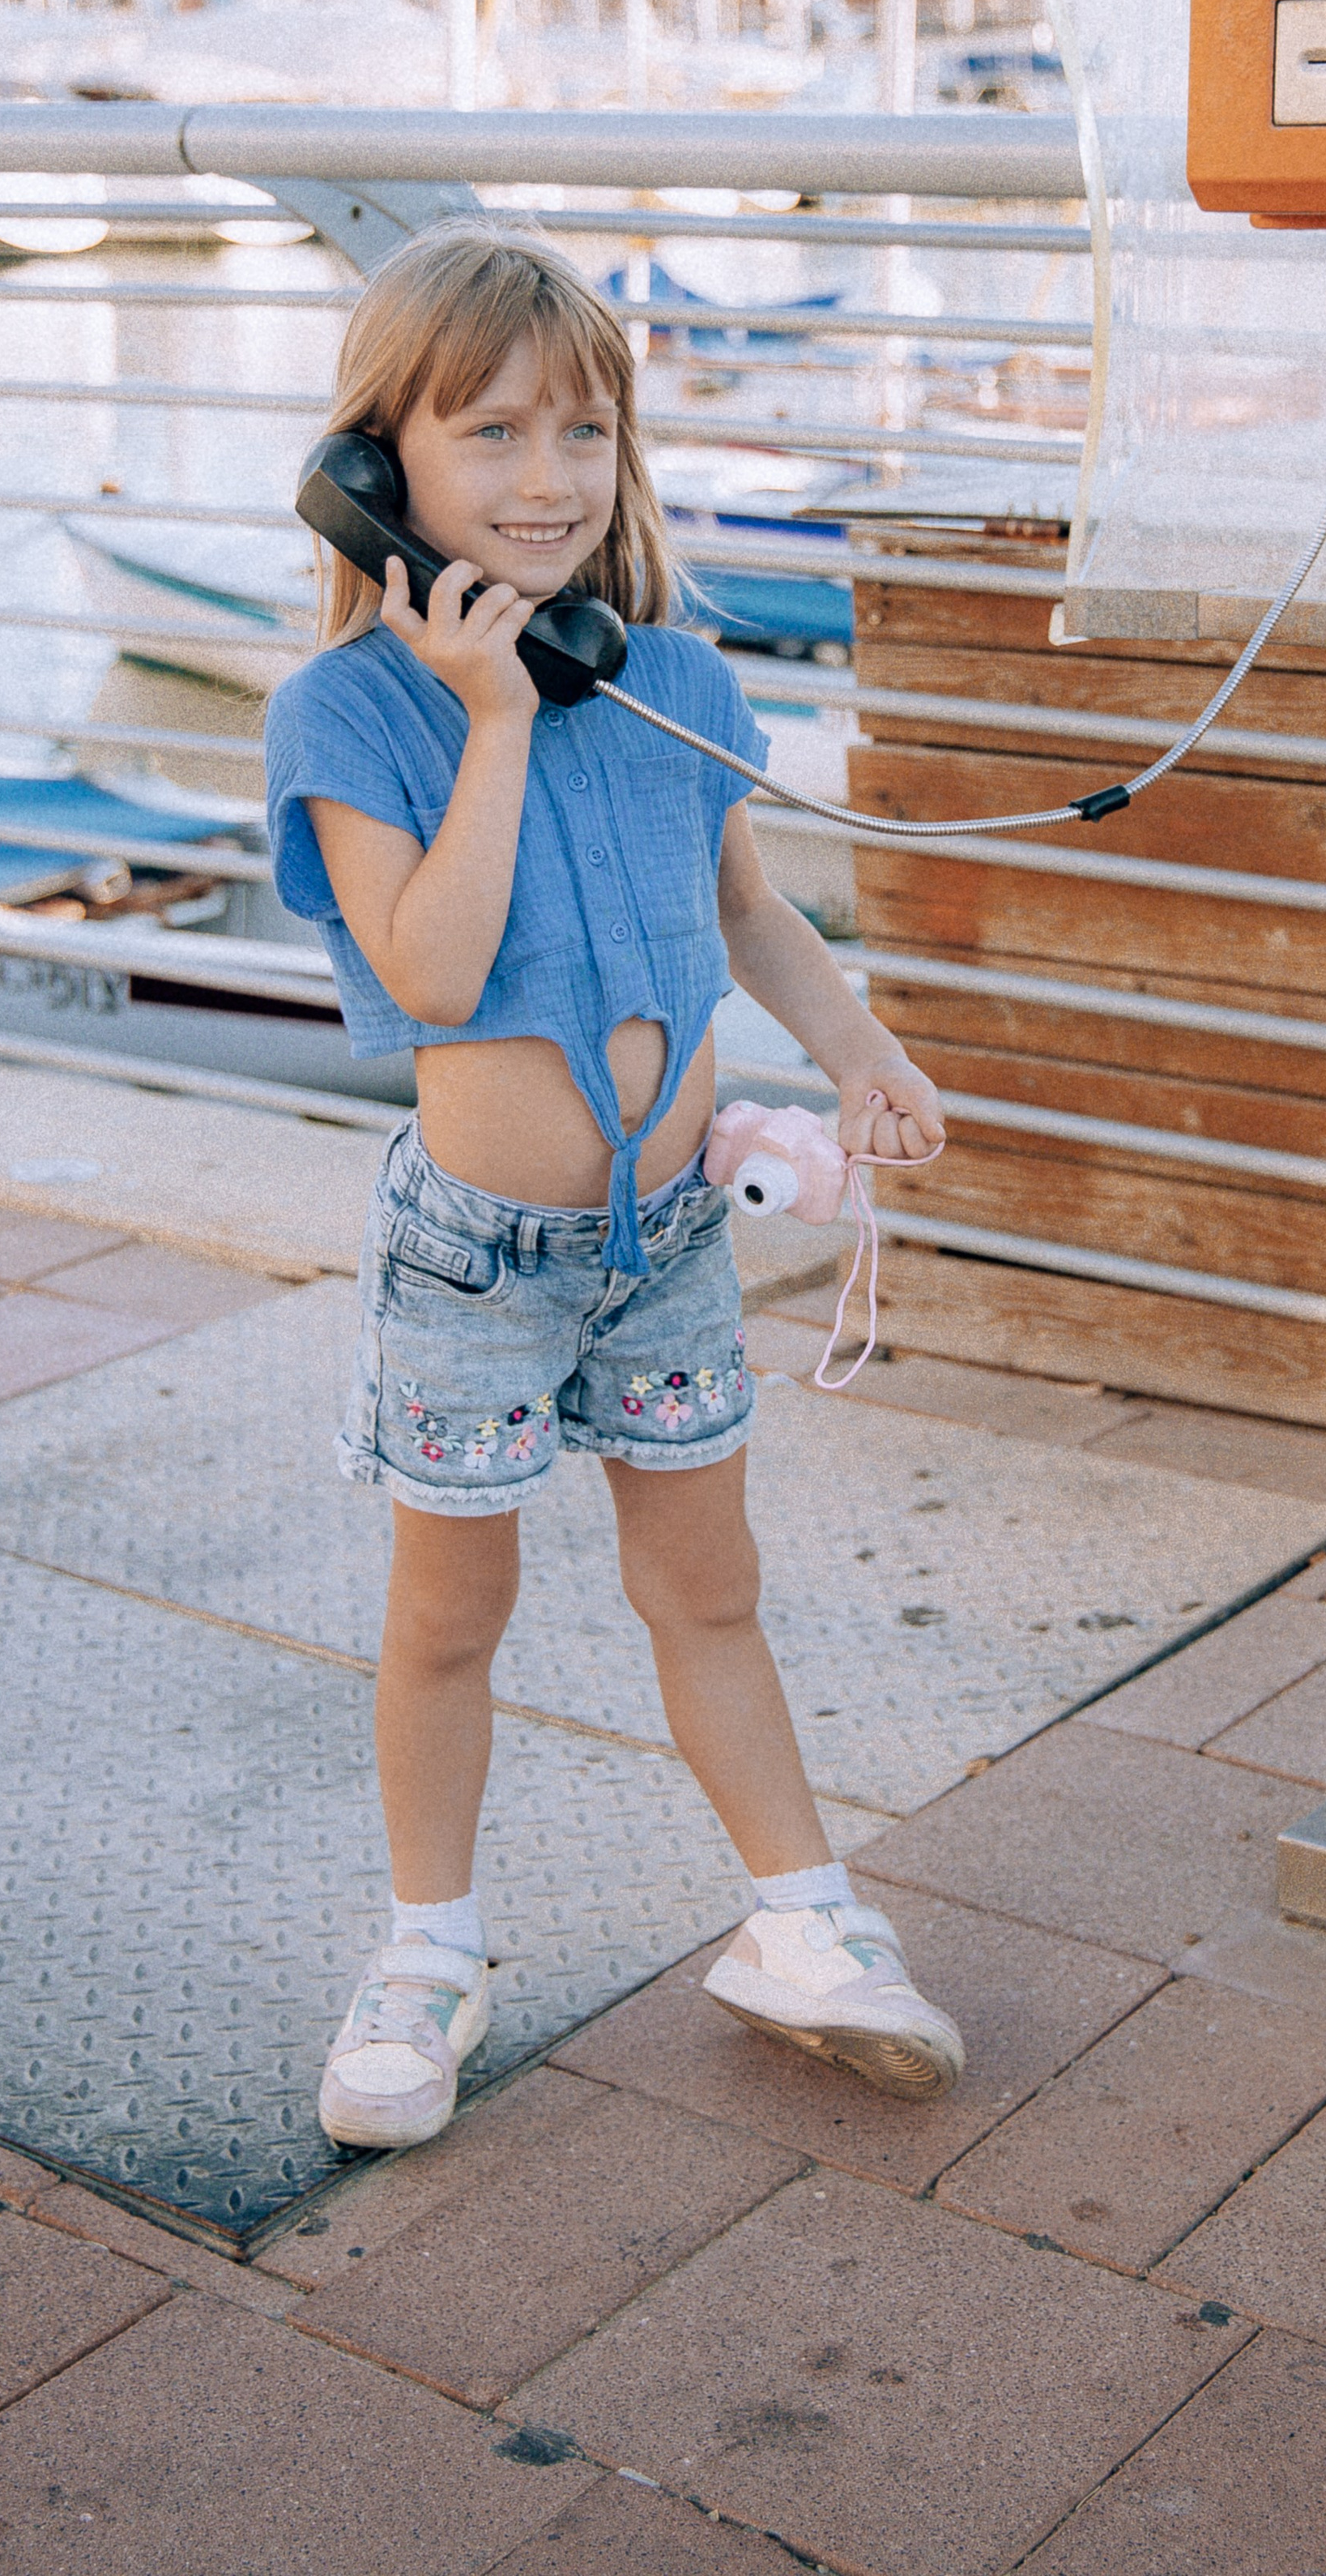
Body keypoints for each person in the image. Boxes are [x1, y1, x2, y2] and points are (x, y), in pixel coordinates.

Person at [263, 224, 965, 2151]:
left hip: (662, 1250)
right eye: (489, 433)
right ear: (375, 469)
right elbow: (428, 970)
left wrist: (860, 1048)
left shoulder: (669, 685)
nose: (548, 476)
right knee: (449, 1612)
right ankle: (426, 1950)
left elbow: (747, 909)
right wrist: (493, 717)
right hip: (474, 1263)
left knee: (708, 1588)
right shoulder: (349, 715)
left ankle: (800, 1919)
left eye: (583, 430)